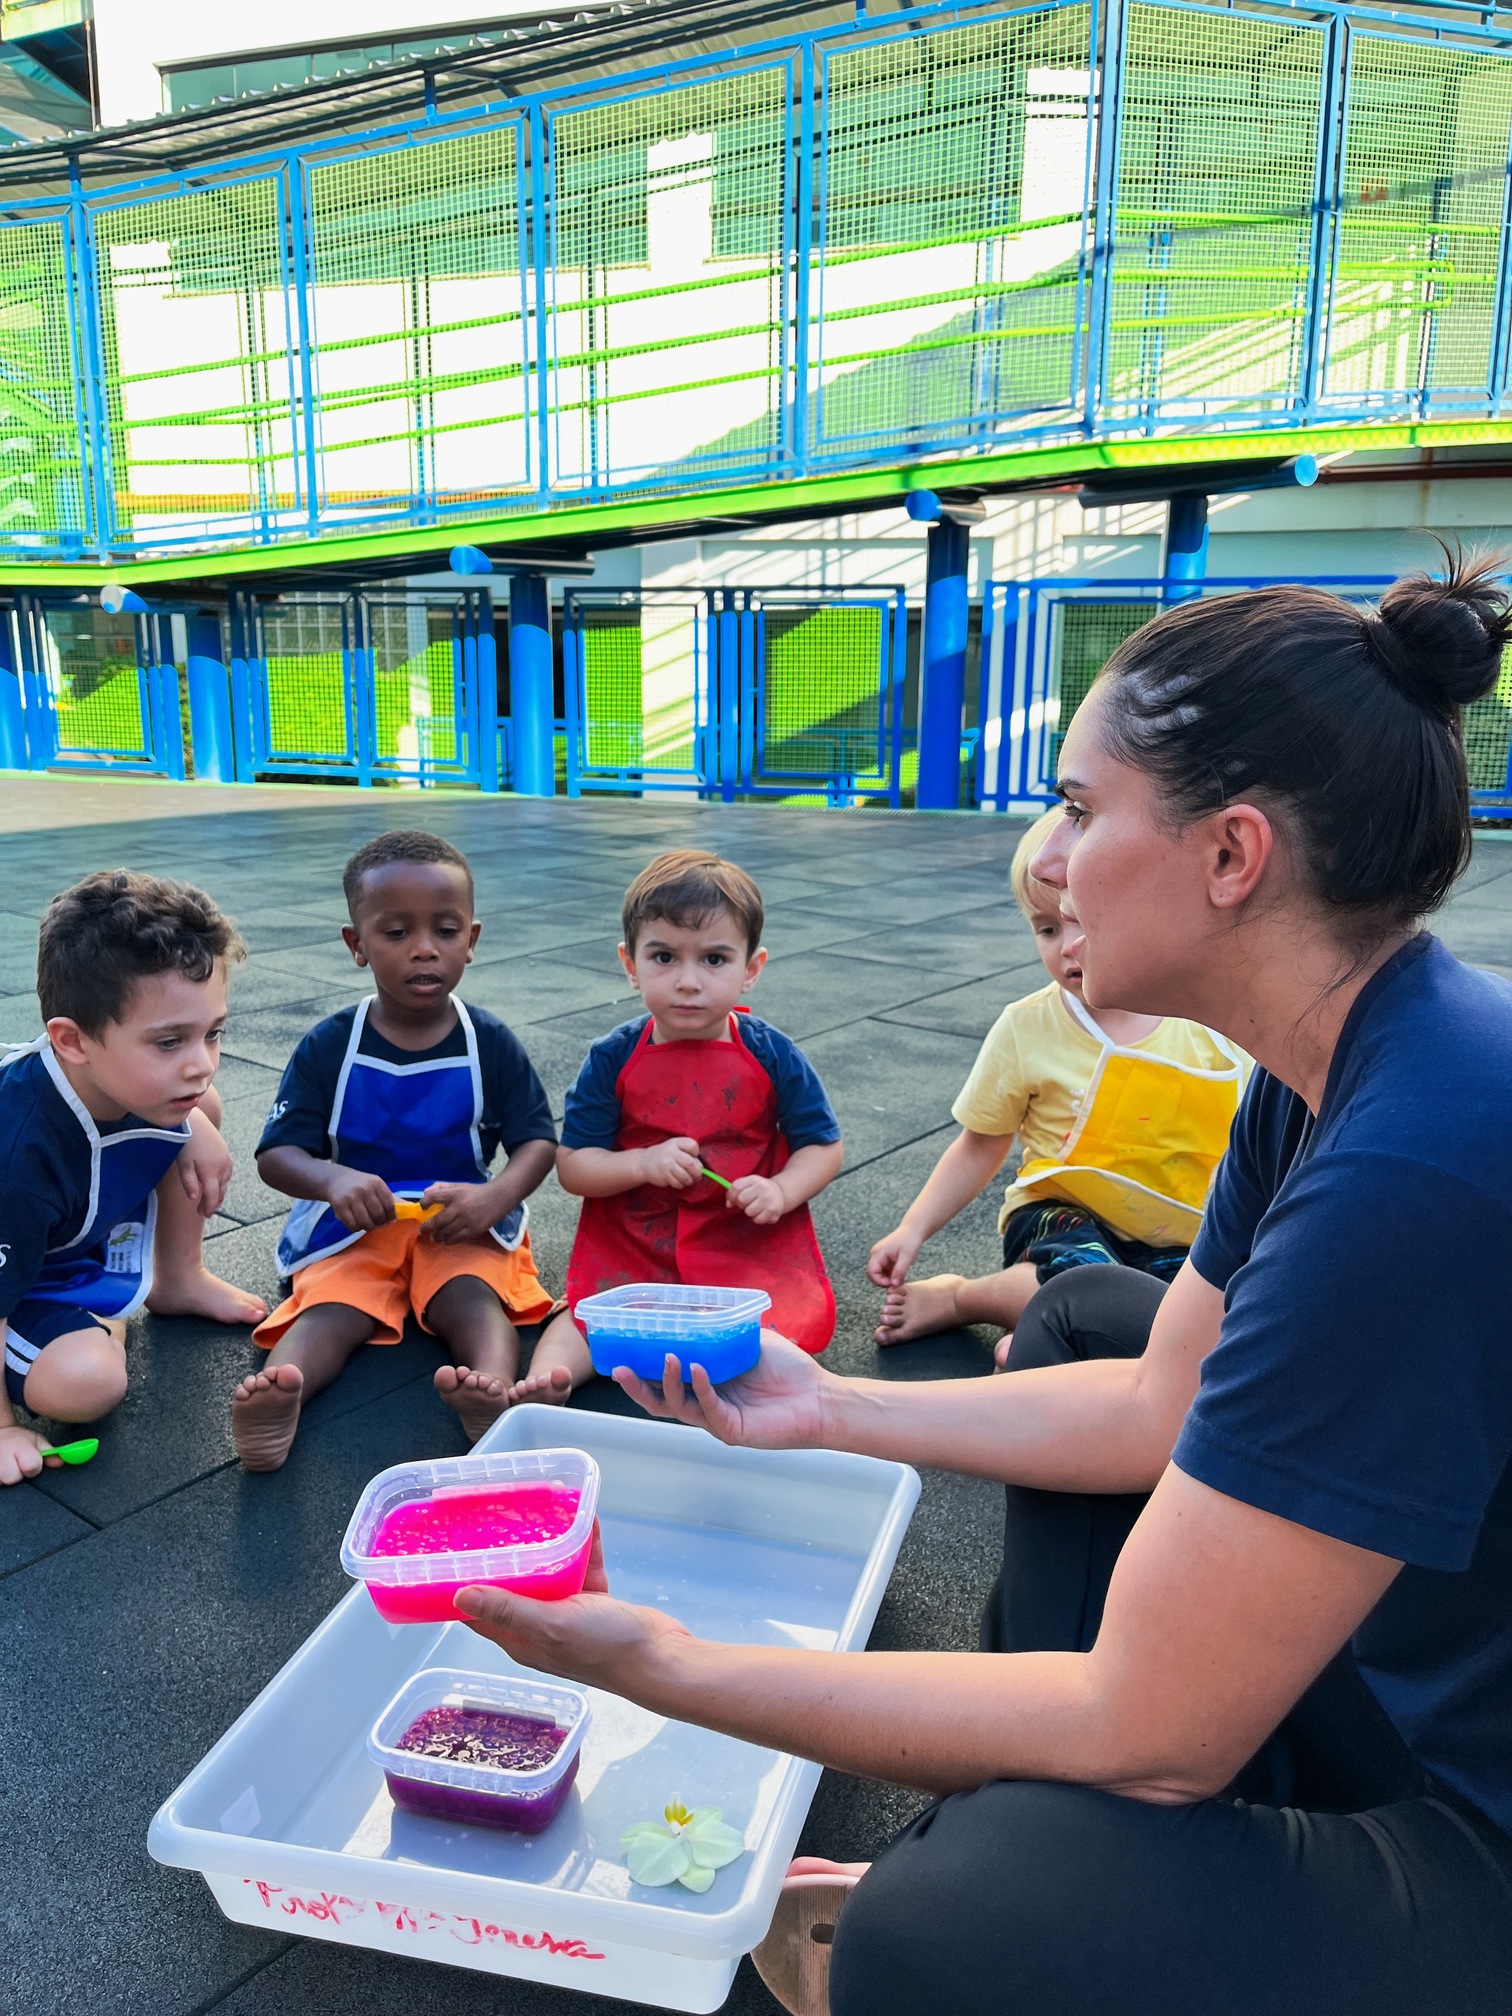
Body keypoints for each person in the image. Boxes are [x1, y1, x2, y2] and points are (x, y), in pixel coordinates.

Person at [452, 556, 1512, 2016]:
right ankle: (1111, 1838)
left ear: (1233, 855)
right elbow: (1156, 1406)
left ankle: (1079, 1858)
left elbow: (1155, 1731)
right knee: (1080, 1318)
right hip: (1391, 1636)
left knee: (957, 1919)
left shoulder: (1421, 1168)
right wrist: (828, 1409)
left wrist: (667, 1666)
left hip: (1473, 1820)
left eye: (1081, 808)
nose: (1053, 857)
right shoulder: (1330, 1058)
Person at [232, 831, 558, 1472]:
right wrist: (331, 1181)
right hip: (358, 1223)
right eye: (396, 933)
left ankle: (491, 1397)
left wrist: (495, 1195)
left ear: (472, 938)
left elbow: (537, 1141)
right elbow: (277, 1154)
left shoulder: (488, 1041)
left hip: (455, 1217)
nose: (424, 950)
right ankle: (282, 1392)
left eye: (444, 929)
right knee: (334, 1306)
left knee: (472, 1295)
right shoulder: (331, 1045)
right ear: (357, 945)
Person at [869, 808, 1246, 1357]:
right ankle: (962, 1300)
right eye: (1046, 928)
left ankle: (1048, 1340)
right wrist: (911, 1229)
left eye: (1085, 921)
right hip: (1062, 1215)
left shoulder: (1212, 1027)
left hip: (1177, 1230)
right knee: (1073, 1278)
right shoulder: (1029, 1027)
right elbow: (981, 1144)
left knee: (1186, 1318)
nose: (1066, 946)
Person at [508, 849, 843, 1405]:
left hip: (740, 1242)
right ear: (630, 963)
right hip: (636, 1242)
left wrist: (781, 1189)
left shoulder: (771, 1053)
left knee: (777, 1336)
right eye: (664, 956)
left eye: (714, 960)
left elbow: (822, 1146)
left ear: (751, 969)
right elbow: (574, 1166)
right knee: (587, 1318)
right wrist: (642, 1163)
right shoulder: (613, 1056)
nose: (689, 982)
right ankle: (547, 1386)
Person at [0, 871, 266, 1487]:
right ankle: (101, 1316)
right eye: (170, 1042)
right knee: (87, 1383)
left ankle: (176, 1277)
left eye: (213, 1033)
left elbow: (191, 1092)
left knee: (205, 1112)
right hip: (16, 1272)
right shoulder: (17, 1160)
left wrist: (194, 1124)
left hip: (55, 1239)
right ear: (72, 1041)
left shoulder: (129, 1077)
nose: (201, 1062)